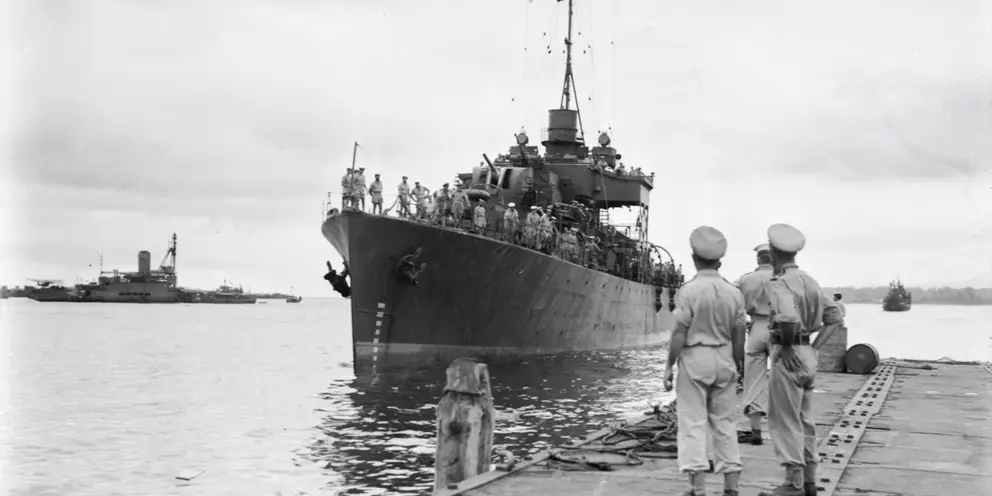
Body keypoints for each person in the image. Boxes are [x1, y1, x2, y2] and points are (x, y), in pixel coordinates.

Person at [758, 224, 845, 496]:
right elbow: (835, 319)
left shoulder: (779, 283)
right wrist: (815, 347)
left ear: (772, 252)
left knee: (784, 419)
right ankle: (809, 481)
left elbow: (786, 318)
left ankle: (792, 483)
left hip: (789, 354)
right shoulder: (810, 281)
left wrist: (785, 348)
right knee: (806, 420)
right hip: (807, 354)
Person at [663, 226, 746, 496]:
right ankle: (731, 486)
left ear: (694, 258)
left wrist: (669, 366)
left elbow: (679, 333)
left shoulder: (688, 291)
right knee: (725, 423)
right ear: (719, 262)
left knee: (692, 423)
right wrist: (738, 365)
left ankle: (698, 488)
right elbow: (739, 335)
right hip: (724, 357)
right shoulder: (734, 292)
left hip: (695, 357)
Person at [734, 243, 776, 445]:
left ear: (758, 259)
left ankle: (756, 431)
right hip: (780, 329)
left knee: (754, 381)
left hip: (757, 328)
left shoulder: (745, 279)